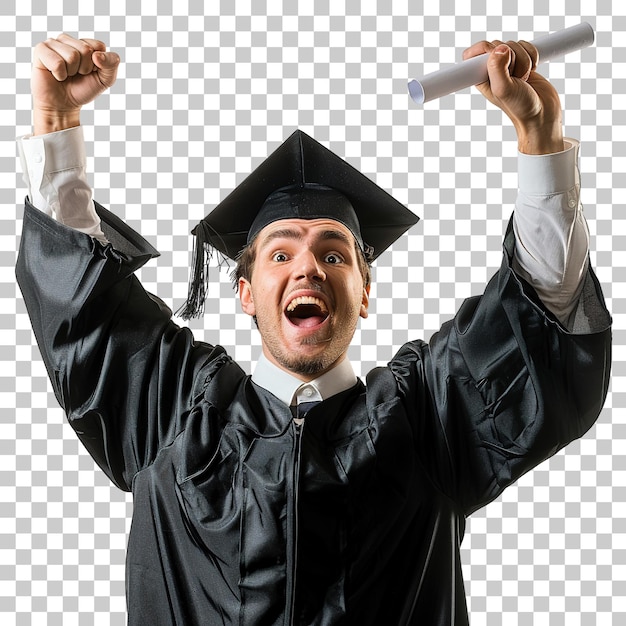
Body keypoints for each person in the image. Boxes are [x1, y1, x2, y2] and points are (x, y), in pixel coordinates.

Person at [16, 33, 611, 625]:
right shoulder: (173, 411)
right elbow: (82, 304)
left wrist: (540, 140)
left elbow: (537, 315)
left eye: (333, 254)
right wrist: (56, 118)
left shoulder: (427, 418)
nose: (307, 266)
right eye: (279, 254)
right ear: (245, 293)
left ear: (365, 291)